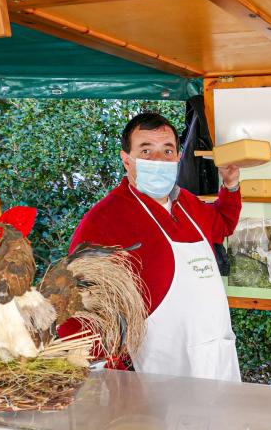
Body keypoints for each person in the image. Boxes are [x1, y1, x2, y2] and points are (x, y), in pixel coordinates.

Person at [64, 112, 242, 380]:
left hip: (216, 356)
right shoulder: (102, 221)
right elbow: (81, 308)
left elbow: (222, 225)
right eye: (146, 151)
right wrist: (110, 379)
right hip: (159, 370)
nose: (159, 160)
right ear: (126, 159)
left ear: (178, 157)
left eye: (167, 151)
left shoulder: (188, 203)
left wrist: (230, 185)